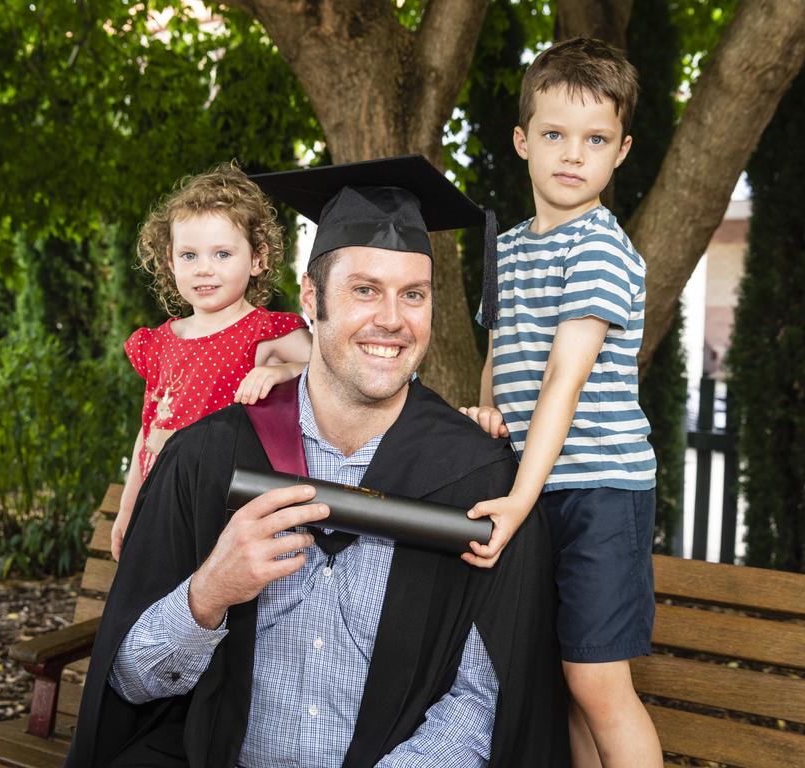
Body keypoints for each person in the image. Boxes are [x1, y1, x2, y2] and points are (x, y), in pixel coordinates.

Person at [65, 155, 569, 768]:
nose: (392, 319)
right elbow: (129, 683)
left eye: (414, 294)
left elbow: (484, 701)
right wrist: (208, 593)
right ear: (310, 297)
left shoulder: (477, 479)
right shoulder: (210, 458)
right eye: (364, 290)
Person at [460, 38, 662, 767]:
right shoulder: (508, 249)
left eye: (595, 139)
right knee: (559, 677)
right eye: (554, 134)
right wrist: (486, 420)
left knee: (596, 678)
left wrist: (516, 496)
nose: (572, 155)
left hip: (600, 489)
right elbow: (498, 356)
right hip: (535, 482)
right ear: (522, 140)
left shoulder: (599, 248)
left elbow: (562, 380)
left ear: (621, 151)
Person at [110, 163, 312, 561]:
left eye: (222, 253)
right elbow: (148, 430)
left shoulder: (265, 331)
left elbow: (325, 373)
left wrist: (280, 372)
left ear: (257, 259)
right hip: (160, 506)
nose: (204, 268)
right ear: (170, 260)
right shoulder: (161, 341)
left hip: (221, 512)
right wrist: (128, 507)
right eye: (189, 255)